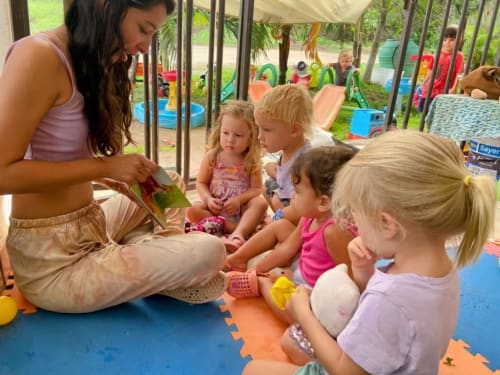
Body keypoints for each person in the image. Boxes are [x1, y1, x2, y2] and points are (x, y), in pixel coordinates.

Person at [0, 0, 227, 313]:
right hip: (53, 264)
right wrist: (106, 166)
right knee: (211, 252)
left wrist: (108, 175)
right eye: (143, 30)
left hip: (92, 225)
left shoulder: (89, 59)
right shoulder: (37, 55)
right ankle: (161, 259)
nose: (145, 47)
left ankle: (157, 255)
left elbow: (57, 153)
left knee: (167, 183)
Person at [242, 130, 496, 375]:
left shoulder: (388, 300)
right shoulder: (442, 270)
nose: (352, 225)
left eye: (354, 215)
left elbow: (344, 369)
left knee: (253, 369)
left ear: (387, 224)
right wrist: (364, 275)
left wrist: (303, 313)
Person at [226, 146, 357, 325]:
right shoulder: (310, 217)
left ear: (323, 202)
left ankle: (263, 286)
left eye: (299, 192)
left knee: (294, 313)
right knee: (279, 226)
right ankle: (237, 259)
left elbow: (349, 281)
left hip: (315, 290)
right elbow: (289, 247)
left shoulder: (335, 231)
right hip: (304, 268)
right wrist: (257, 270)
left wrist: (309, 294)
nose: (293, 196)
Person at [185, 100, 268, 252]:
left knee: (260, 204)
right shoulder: (213, 156)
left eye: (238, 135)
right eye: (226, 133)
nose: (230, 139)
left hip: (240, 209)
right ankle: (235, 229)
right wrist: (209, 199)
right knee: (191, 209)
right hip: (216, 209)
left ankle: (239, 233)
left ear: (251, 137)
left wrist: (239, 200)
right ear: (219, 131)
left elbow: (257, 189)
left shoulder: (250, 160)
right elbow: (201, 183)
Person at [256, 84, 313, 225]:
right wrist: (274, 168)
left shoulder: (305, 163)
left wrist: (276, 218)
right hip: (288, 199)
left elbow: (301, 209)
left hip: (299, 213)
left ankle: (281, 228)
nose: (259, 136)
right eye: (259, 128)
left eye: (267, 130)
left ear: (294, 129)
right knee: (266, 186)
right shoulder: (290, 148)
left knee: (275, 198)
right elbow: (284, 172)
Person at [415, 25, 464, 111]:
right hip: (430, 88)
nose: (447, 43)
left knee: (439, 112)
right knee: (426, 111)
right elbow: (431, 71)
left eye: (451, 40)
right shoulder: (437, 54)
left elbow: (459, 74)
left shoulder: (458, 56)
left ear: (459, 41)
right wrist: (423, 84)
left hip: (444, 91)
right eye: (445, 40)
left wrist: (453, 88)